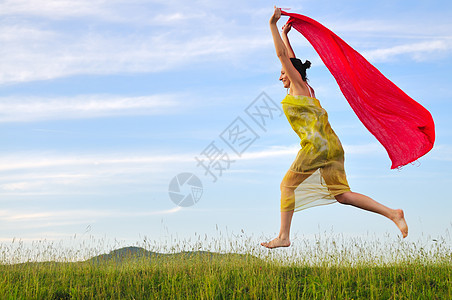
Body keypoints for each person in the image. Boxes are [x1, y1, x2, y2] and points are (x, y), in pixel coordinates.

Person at [261, 7, 408, 249]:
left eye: (283, 73)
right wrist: (288, 36)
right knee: (342, 195)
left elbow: (283, 58)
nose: (281, 77)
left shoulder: (298, 87)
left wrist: (273, 26)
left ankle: (284, 237)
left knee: (286, 186)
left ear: (292, 72)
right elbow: (292, 61)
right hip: (333, 147)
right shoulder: (306, 89)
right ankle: (393, 213)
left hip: (317, 148)